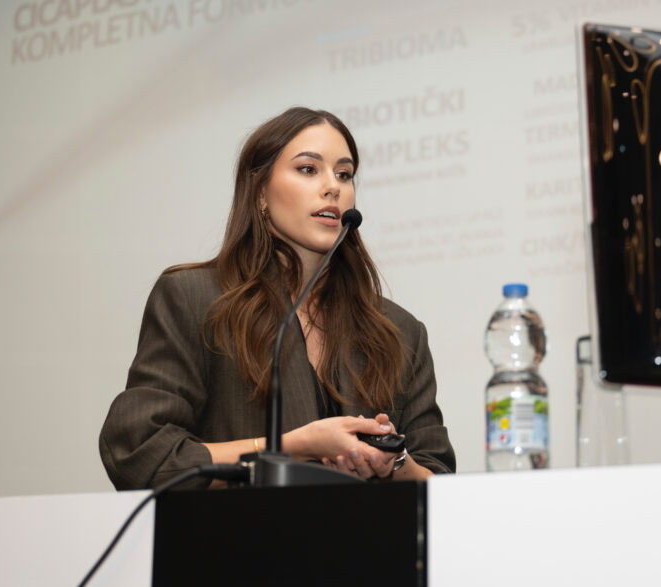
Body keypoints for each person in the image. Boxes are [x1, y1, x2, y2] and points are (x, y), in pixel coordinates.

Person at [99, 107, 455, 489]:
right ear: (260, 193)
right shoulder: (195, 299)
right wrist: (292, 448)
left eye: (344, 174)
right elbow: (139, 452)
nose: (333, 187)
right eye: (308, 169)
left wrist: (393, 461)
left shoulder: (399, 332)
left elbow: (441, 481)